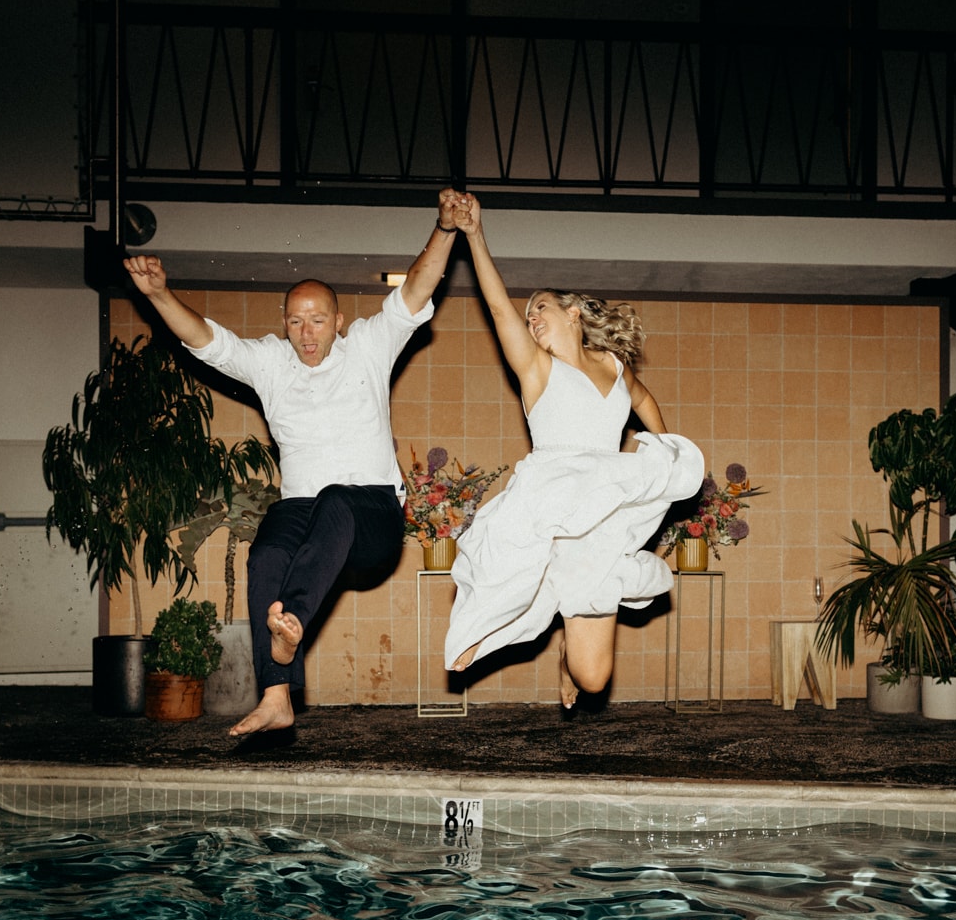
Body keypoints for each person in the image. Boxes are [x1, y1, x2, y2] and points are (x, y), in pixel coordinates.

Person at [123, 191, 468, 736]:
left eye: (318, 321)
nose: (308, 334)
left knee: (335, 498)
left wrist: (445, 230)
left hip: (371, 515)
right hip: (305, 512)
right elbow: (206, 341)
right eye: (297, 322)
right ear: (284, 323)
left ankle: (294, 623)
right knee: (267, 554)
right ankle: (277, 695)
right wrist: (160, 295)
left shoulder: (370, 347)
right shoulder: (270, 363)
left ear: (338, 321)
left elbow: (419, 288)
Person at [442, 192, 704, 711]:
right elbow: (497, 308)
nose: (530, 317)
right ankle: (526, 618)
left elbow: (643, 398)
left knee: (592, 678)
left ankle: (567, 651)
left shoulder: (610, 363)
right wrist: (474, 235)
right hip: (550, 498)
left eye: (539, 307)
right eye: (528, 314)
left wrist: (662, 452)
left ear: (573, 311)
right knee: (511, 583)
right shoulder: (537, 371)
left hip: (601, 508)